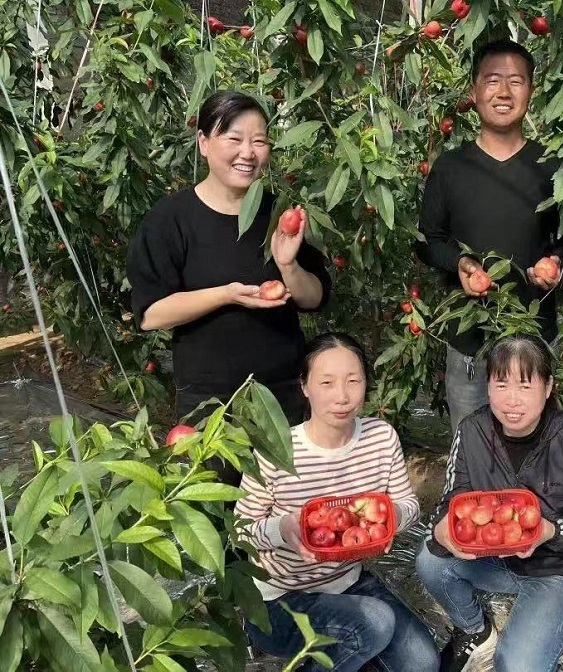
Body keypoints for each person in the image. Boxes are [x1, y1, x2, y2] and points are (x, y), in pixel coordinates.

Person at [127, 91, 331, 486]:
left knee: (284, 508)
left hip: (281, 397)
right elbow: (150, 314)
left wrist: (288, 264)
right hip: (209, 403)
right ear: (203, 142)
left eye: (259, 141)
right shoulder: (171, 219)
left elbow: (314, 298)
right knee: (214, 510)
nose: (248, 153)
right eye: (234, 139)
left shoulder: (280, 212)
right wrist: (226, 294)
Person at [235, 333, 439, 672]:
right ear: (305, 386)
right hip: (280, 600)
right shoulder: (277, 450)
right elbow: (240, 531)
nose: (342, 396)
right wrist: (283, 528)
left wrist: (391, 516)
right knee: (375, 623)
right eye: (326, 383)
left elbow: (409, 505)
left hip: (348, 582)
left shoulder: (380, 438)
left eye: (353, 381)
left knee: (422, 663)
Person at [415, 335, 563, 672]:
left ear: (548, 388)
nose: (512, 400)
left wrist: (548, 531)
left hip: (557, 569)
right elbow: (452, 499)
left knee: (516, 666)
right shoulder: (472, 431)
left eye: (525, 386)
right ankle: (475, 630)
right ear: (488, 386)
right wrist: (444, 527)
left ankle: (551, 626)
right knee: (431, 561)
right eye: (501, 385)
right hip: (494, 557)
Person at [416, 39, 563, 433]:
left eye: (516, 81)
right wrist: (460, 264)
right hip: (469, 347)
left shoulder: (553, 167)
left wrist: (554, 262)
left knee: (536, 453)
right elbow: (428, 240)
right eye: (492, 80)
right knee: (472, 450)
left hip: (536, 345)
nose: (503, 92)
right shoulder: (451, 168)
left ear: (531, 91)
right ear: (474, 90)